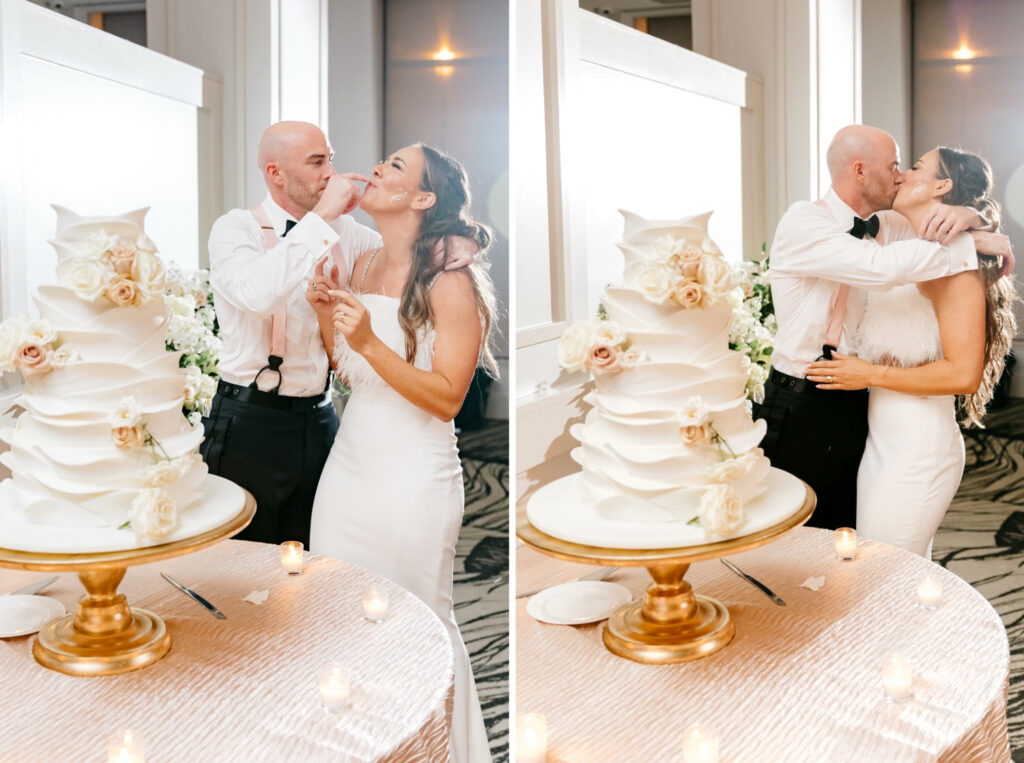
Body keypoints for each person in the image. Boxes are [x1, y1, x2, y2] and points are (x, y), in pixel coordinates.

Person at [306, 144, 496, 762]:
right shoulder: (361, 267)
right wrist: (323, 319)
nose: (377, 168)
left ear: (422, 199)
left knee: (418, 619)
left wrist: (364, 337)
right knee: (339, 612)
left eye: (395, 166)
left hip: (414, 471)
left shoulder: (450, 281)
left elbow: (444, 399)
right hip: (351, 464)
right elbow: (350, 372)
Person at [203, 121, 473, 547]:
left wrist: (458, 243)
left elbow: (409, 247)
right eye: (316, 162)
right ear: (276, 173)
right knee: (243, 563)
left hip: (323, 422)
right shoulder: (237, 229)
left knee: (317, 562)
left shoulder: (352, 237)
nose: (331, 172)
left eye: (331, 158)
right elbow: (255, 294)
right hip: (249, 421)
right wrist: (322, 216)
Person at [759, 125, 1013, 530]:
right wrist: (971, 242)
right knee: (784, 530)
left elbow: (939, 225)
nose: (900, 175)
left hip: (860, 404)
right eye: (896, 166)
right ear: (860, 171)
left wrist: (975, 216)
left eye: (908, 167)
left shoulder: (892, 227)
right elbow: (879, 269)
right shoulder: (804, 221)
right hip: (801, 402)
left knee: (846, 540)